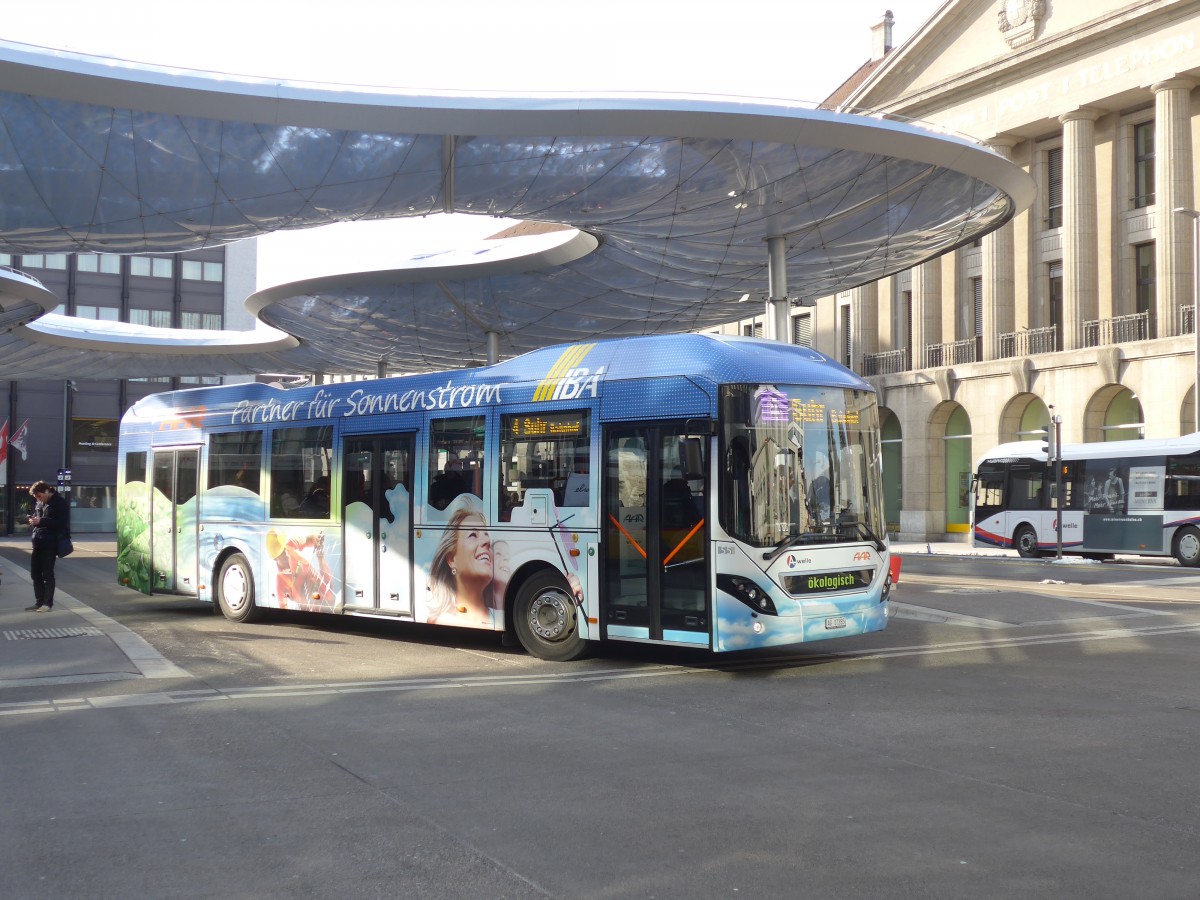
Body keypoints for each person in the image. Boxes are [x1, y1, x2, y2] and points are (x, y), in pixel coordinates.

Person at [427, 493, 493, 625]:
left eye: (486, 534)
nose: (487, 540)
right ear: (451, 559)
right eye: (473, 535)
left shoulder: (501, 616)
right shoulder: (439, 620)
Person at [26, 480, 70, 612]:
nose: (38, 499)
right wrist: (33, 520)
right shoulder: (40, 503)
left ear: (46, 491)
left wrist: (42, 521)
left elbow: (62, 523)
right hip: (38, 542)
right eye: (36, 497)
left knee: (47, 574)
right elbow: (39, 518)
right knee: (35, 573)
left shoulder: (60, 503)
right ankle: (39, 602)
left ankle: (47, 604)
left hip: (50, 543)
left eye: (39, 496)